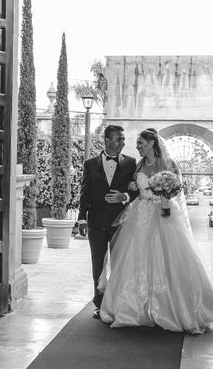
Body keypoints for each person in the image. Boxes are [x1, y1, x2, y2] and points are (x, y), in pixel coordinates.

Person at [98, 128, 213, 334]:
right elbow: (133, 187)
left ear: (151, 143)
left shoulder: (169, 164)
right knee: (135, 257)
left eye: (140, 143)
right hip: (140, 215)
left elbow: (177, 188)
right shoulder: (139, 164)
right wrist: (132, 186)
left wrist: (165, 201)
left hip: (163, 214)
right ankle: (132, 307)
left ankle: (170, 308)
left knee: (168, 258)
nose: (137, 147)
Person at [77, 124, 138, 319]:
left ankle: (119, 303)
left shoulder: (131, 163)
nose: (122, 142)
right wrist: (81, 219)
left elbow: (137, 190)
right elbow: (84, 193)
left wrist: (124, 196)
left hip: (121, 223)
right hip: (96, 223)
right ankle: (100, 303)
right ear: (107, 140)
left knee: (120, 264)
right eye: (118, 139)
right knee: (98, 264)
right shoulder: (90, 164)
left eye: (123, 139)